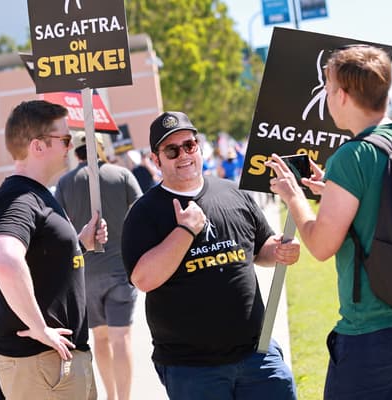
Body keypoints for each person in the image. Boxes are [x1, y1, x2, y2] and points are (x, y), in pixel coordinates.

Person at [267, 45, 392, 399]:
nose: (325, 95)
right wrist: (333, 191)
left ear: (342, 95)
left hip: (376, 335)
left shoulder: (352, 156)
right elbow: (386, 205)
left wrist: (293, 196)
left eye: (326, 87)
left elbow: (322, 246)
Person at [121, 111, 301, 400]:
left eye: (189, 145)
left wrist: (279, 249)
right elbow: (143, 279)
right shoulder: (144, 213)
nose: (183, 155)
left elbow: (261, 247)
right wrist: (185, 231)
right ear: (156, 159)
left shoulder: (233, 194)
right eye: (172, 150)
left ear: (199, 147)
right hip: (192, 369)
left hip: (258, 355)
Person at [0, 100, 108, 399]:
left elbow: (40, 259)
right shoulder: (21, 197)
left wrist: (80, 244)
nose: (70, 146)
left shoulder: (35, 194)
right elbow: (3, 258)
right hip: (42, 364)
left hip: (54, 363)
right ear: (38, 146)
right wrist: (39, 327)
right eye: (64, 139)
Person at [55, 131, 142, 400]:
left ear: (76, 152)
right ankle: (125, 398)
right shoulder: (122, 175)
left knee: (100, 340)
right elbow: (142, 213)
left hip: (86, 275)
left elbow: (58, 225)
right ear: (101, 149)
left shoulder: (65, 182)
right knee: (121, 338)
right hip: (120, 269)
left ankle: (111, 396)